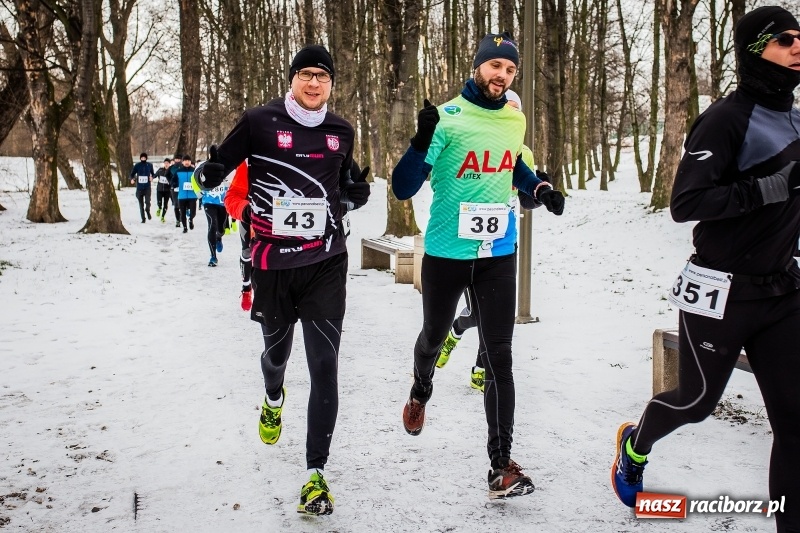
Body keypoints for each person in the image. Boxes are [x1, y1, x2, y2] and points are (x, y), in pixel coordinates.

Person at [611, 7, 800, 532]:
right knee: (695, 403)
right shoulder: (726, 118)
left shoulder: (796, 118)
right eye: (786, 39)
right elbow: (686, 202)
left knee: (794, 423)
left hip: (783, 291)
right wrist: (772, 187)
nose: (798, 46)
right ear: (755, 49)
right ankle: (635, 444)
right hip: (720, 290)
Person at [195, 44, 370, 516]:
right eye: (306, 74)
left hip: (326, 262)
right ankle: (273, 397)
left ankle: (315, 474)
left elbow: (346, 184)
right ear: (291, 78)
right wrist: (206, 174)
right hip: (272, 265)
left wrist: (357, 193)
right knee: (277, 357)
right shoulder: (259, 121)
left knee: (325, 366)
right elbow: (214, 171)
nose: (314, 83)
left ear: (332, 84)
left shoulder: (341, 131)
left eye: (323, 76)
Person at [391, 32, 564, 500]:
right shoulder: (447, 118)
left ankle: (500, 465)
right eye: (495, 66)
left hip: (498, 253)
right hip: (447, 254)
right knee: (432, 337)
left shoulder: (514, 119)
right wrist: (420, 141)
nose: (502, 76)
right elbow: (403, 188)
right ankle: (420, 388)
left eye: (510, 70)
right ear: (478, 67)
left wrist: (540, 188)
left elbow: (514, 167)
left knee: (499, 356)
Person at [434, 89, 544, 393]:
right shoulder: (471, 140)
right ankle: (454, 333)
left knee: (497, 316)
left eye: (515, 109)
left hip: (503, 241)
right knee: (477, 314)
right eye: (506, 107)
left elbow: (527, 198)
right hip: (469, 242)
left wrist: (540, 192)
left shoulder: (524, 153)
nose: (510, 113)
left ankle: (481, 369)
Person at [193, 172, 228, 266]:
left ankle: (219, 237)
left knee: (221, 229)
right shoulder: (204, 167)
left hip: (223, 202)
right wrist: (198, 192)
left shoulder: (227, 167)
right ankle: (213, 257)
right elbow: (194, 177)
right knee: (212, 224)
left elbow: (233, 180)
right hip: (208, 201)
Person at [175, 155, 198, 233]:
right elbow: (173, 180)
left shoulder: (194, 171)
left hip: (192, 195)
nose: (187, 162)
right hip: (182, 196)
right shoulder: (178, 171)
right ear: (182, 162)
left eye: (188, 161)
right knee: (182, 213)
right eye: (185, 161)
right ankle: (185, 227)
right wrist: (174, 184)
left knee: (193, 212)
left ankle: (191, 219)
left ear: (190, 162)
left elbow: (199, 181)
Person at [130, 152, 154, 223]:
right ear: (140, 158)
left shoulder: (149, 165)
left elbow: (153, 174)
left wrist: (152, 177)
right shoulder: (137, 165)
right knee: (141, 204)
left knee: (147, 201)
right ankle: (143, 218)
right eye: (142, 158)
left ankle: (147, 210)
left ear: (146, 158)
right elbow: (132, 174)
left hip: (147, 187)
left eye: (144, 157)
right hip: (139, 187)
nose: (143, 159)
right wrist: (132, 179)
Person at [155, 158, 172, 223]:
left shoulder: (171, 171)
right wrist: (152, 177)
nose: (166, 164)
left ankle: (162, 216)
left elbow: (173, 179)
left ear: (169, 164)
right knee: (159, 202)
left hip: (167, 190)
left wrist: (171, 182)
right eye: (165, 163)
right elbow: (155, 175)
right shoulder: (160, 170)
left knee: (165, 204)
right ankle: (159, 208)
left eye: (167, 163)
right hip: (159, 189)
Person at [168, 154, 183, 227]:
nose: (177, 161)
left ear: (181, 160)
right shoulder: (171, 168)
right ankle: (177, 219)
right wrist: (171, 182)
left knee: (182, 203)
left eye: (179, 159)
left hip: (183, 188)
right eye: (176, 159)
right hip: (174, 188)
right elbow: (167, 175)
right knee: (176, 204)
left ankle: (182, 217)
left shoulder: (183, 167)